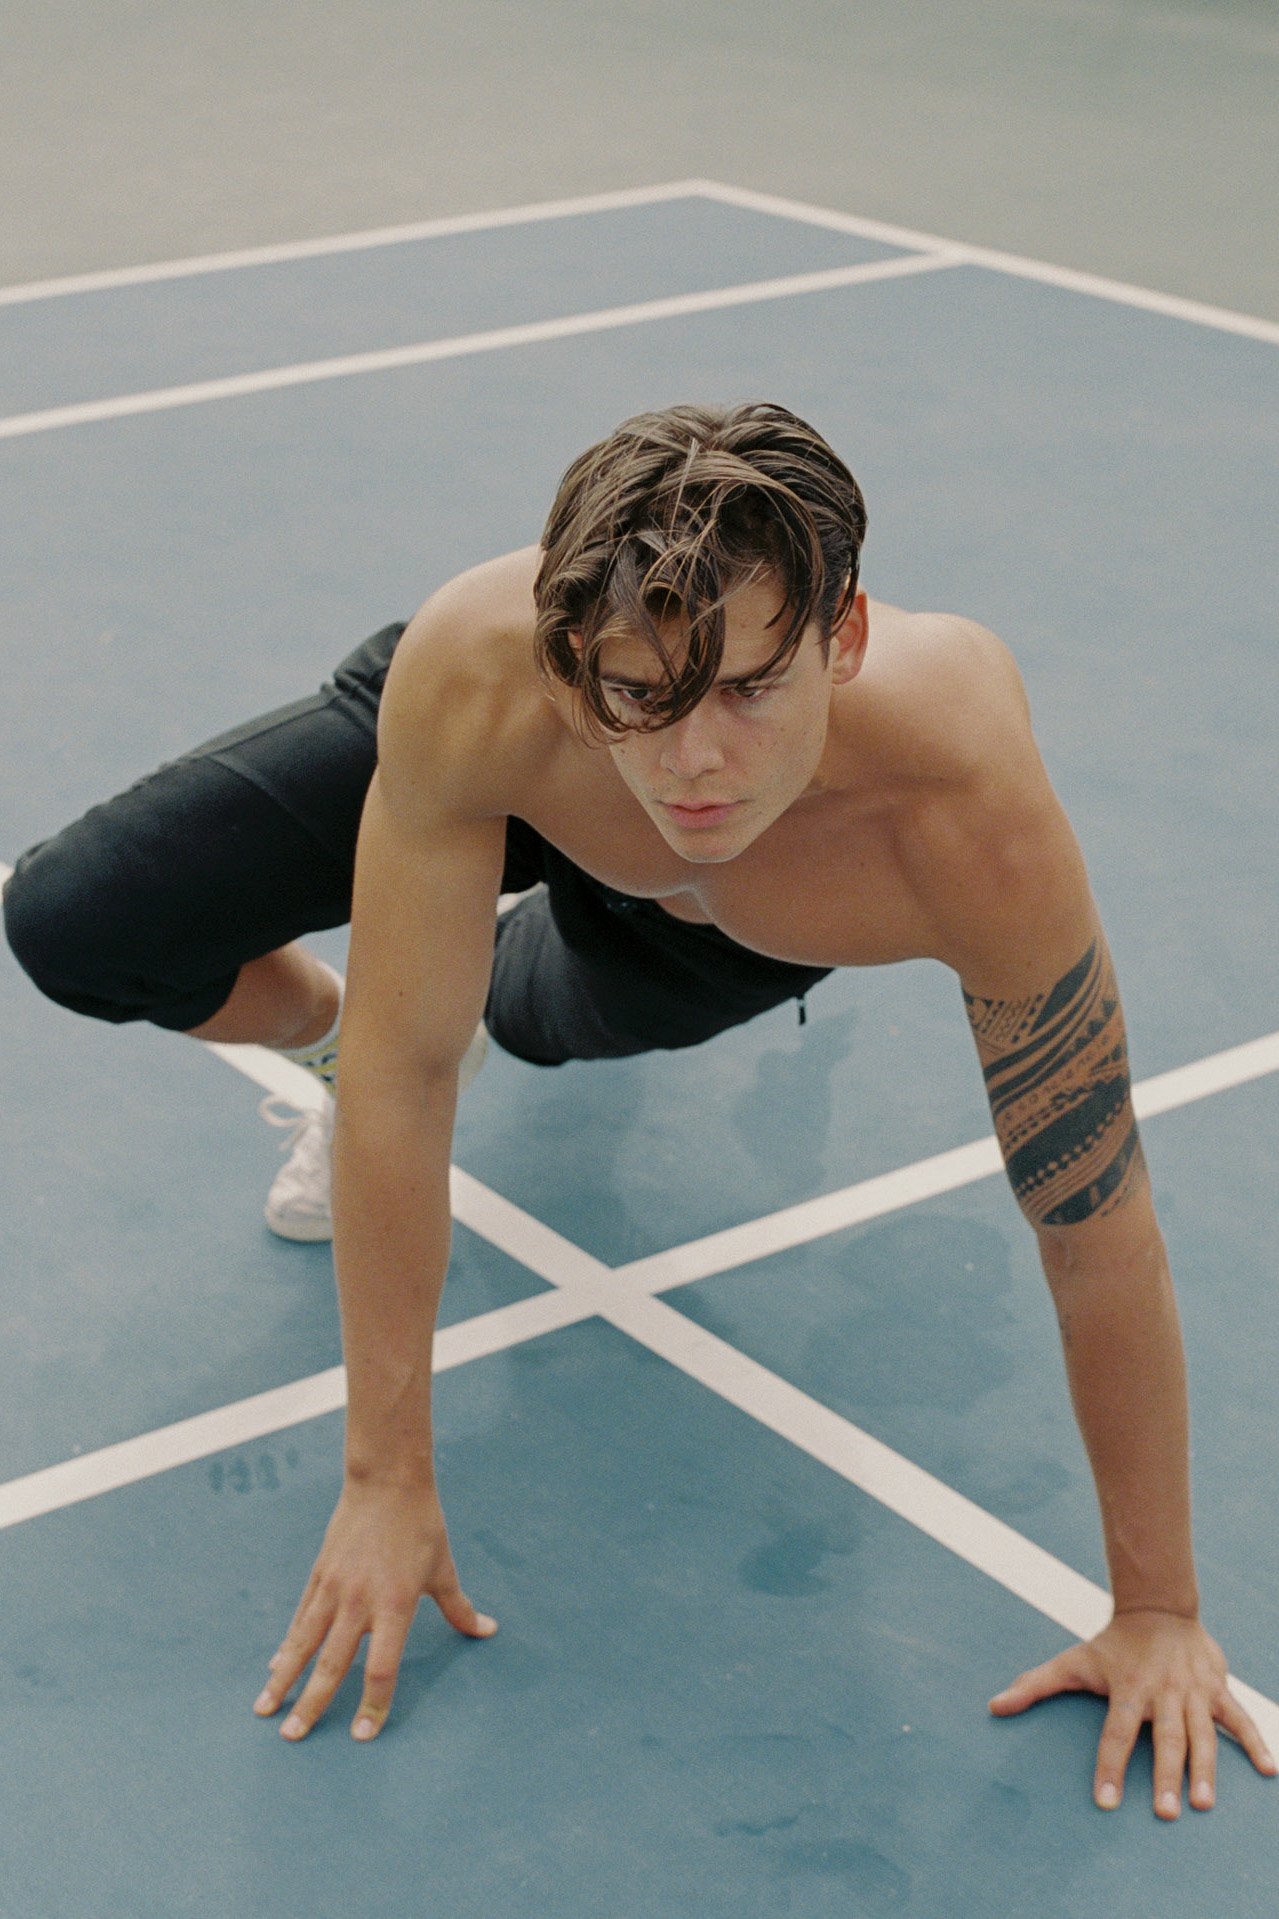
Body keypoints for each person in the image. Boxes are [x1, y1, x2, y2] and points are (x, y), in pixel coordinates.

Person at [4, 402, 1273, 1817]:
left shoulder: (959, 806)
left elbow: (1091, 1213)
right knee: (83, 921)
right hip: (522, 779)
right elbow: (404, 1085)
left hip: (722, 933)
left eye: (747, 690)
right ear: (567, 666)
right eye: (645, 700)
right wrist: (381, 1476)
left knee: (523, 1024)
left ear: (841, 643)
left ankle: (519, 960)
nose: (697, 765)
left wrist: (1158, 1607)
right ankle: (340, 1011)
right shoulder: (481, 680)